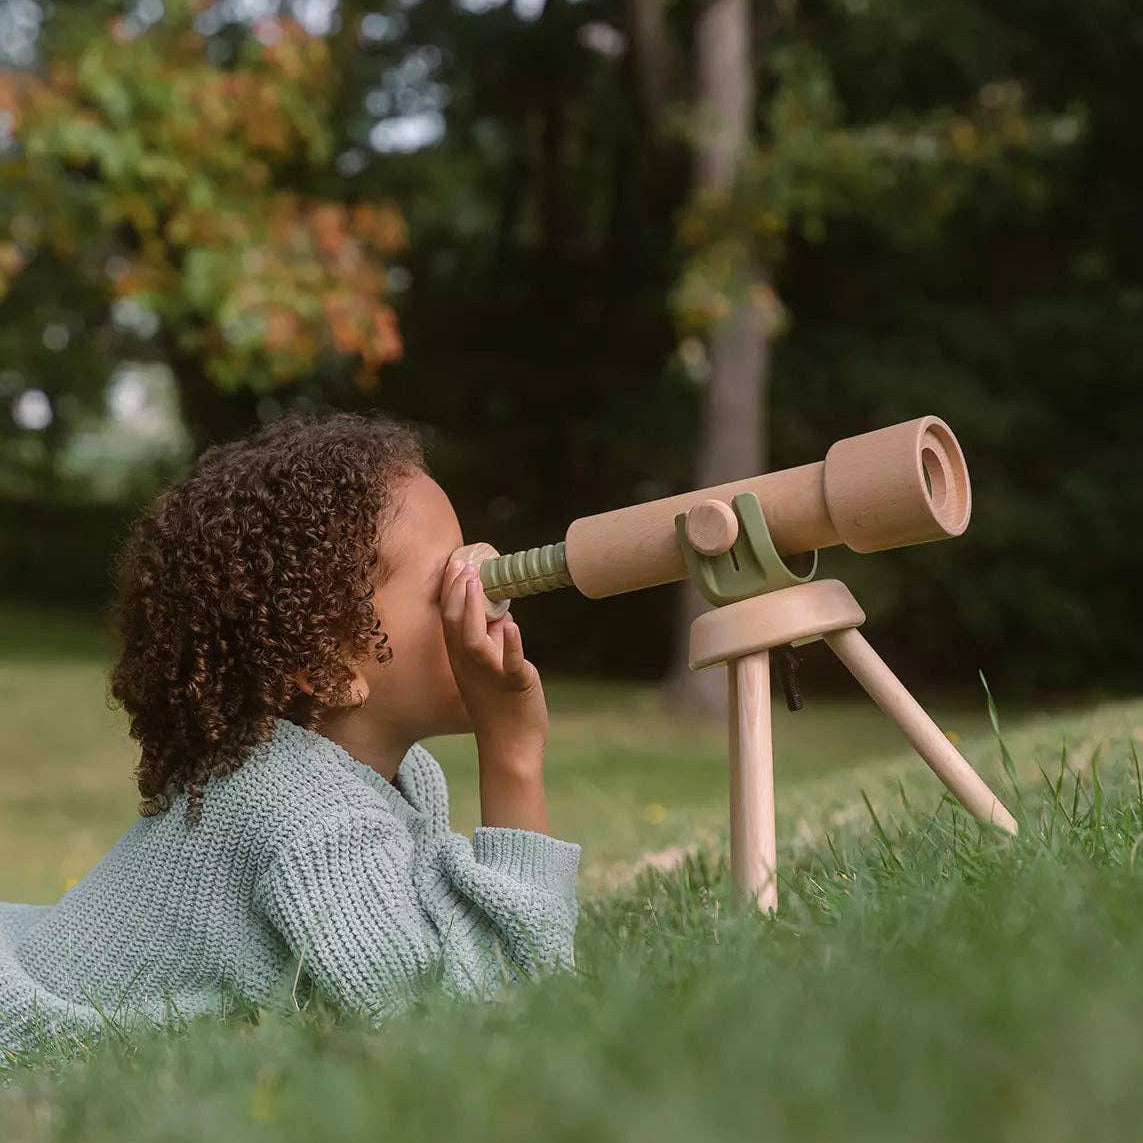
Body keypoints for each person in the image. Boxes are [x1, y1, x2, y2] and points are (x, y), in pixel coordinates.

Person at [0, 411, 580, 1065]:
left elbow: (448, 934)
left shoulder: (395, 773)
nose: (479, 597)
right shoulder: (306, 817)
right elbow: (479, 1017)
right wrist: (512, 754)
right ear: (330, 667)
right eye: (443, 584)